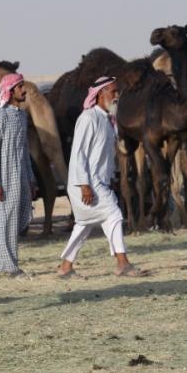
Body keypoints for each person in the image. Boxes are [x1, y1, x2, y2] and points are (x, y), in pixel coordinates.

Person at [57, 76, 144, 278]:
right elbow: (78, 153)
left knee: (84, 225)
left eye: (117, 92)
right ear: (99, 94)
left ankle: (65, 267)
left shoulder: (107, 120)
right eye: (112, 92)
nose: (116, 96)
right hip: (86, 184)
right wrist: (84, 185)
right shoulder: (88, 118)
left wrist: (111, 177)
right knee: (113, 214)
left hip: (99, 182)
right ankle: (123, 263)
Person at [0, 73, 35, 277]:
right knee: (7, 220)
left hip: (21, 175)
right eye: (20, 87)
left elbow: (25, 149)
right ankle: (11, 267)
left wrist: (30, 177)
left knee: (20, 217)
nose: (24, 90)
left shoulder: (22, 116)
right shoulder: (0, 116)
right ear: (10, 91)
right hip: (4, 176)